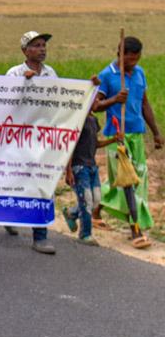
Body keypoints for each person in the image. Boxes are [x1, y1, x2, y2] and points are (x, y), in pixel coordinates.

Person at [92, 36, 162, 248]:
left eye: (136, 59)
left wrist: (156, 133)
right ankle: (135, 230)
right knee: (129, 181)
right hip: (118, 136)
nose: (132, 63)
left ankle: (94, 211)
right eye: (128, 59)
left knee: (129, 180)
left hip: (137, 135)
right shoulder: (108, 75)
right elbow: (95, 106)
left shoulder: (139, 73)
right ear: (119, 54)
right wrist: (114, 100)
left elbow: (145, 104)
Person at [4, 30, 57, 253]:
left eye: (43, 45)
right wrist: (22, 86)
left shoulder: (50, 73)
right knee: (15, 180)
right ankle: (8, 214)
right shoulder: (14, 73)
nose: (42, 49)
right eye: (36, 45)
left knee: (42, 183)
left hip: (42, 137)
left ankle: (40, 235)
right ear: (25, 50)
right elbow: (4, 104)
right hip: (19, 137)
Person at [63, 95, 117, 246]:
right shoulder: (78, 121)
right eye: (96, 100)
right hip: (79, 167)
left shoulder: (93, 120)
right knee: (86, 200)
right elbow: (71, 146)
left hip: (92, 166)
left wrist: (113, 140)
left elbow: (96, 143)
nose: (99, 103)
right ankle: (85, 234)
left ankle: (72, 213)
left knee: (96, 200)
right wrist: (68, 170)